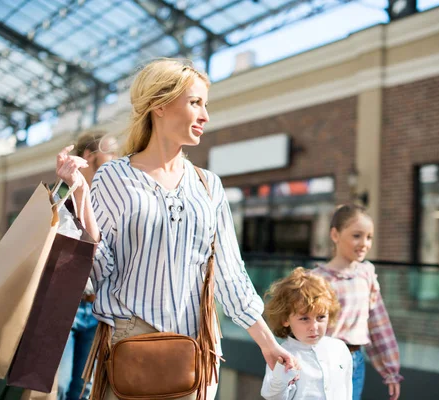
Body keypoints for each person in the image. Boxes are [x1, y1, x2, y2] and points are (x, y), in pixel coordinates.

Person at [55, 58, 298, 400]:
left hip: (195, 349)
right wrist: (80, 193)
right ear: (159, 105)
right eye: (195, 103)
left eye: (206, 105)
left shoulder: (209, 185)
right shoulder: (113, 178)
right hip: (130, 344)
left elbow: (231, 274)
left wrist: (268, 344)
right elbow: (100, 269)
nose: (205, 116)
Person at [312, 204, 403, 400]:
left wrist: (391, 371)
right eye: (356, 236)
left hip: (355, 363)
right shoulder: (315, 279)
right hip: (321, 363)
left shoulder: (366, 274)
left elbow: (379, 325)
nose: (364, 243)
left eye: (369, 237)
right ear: (335, 235)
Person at [57, 130, 118, 400]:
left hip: (96, 308)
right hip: (63, 305)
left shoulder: (113, 201)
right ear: (89, 156)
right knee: (55, 387)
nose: (117, 158)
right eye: (111, 151)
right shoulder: (62, 198)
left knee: (84, 390)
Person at [261, 267, 352, 400]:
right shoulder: (282, 355)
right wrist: (282, 374)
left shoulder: (340, 349)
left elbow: (347, 391)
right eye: (304, 319)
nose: (314, 327)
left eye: (321, 317)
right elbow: (272, 396)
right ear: (285, 319)